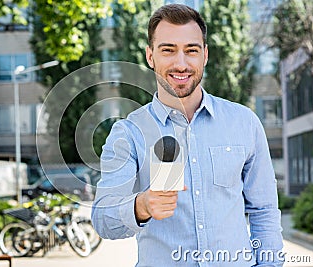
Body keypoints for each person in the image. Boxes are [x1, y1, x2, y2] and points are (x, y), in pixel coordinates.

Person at [91, 3, 283, 267]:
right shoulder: (129, 133)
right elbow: (103, 220)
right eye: (168, 50)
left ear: (204, 55)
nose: (181, 64)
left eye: (191, 50)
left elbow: (264, 211)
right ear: (150, 56)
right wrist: (142, 206)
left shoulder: (244, 123)